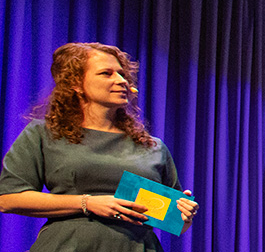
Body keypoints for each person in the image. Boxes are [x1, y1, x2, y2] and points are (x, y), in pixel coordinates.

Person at [0, 43, 198, 251]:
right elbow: (8, 198)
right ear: (76, 83)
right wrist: (87, 203)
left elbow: (178, 222)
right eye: (107, 73)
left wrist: (184, 213)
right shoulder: (44, 133)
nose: (121, 81)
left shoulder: (152, 146)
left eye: (122, 74)